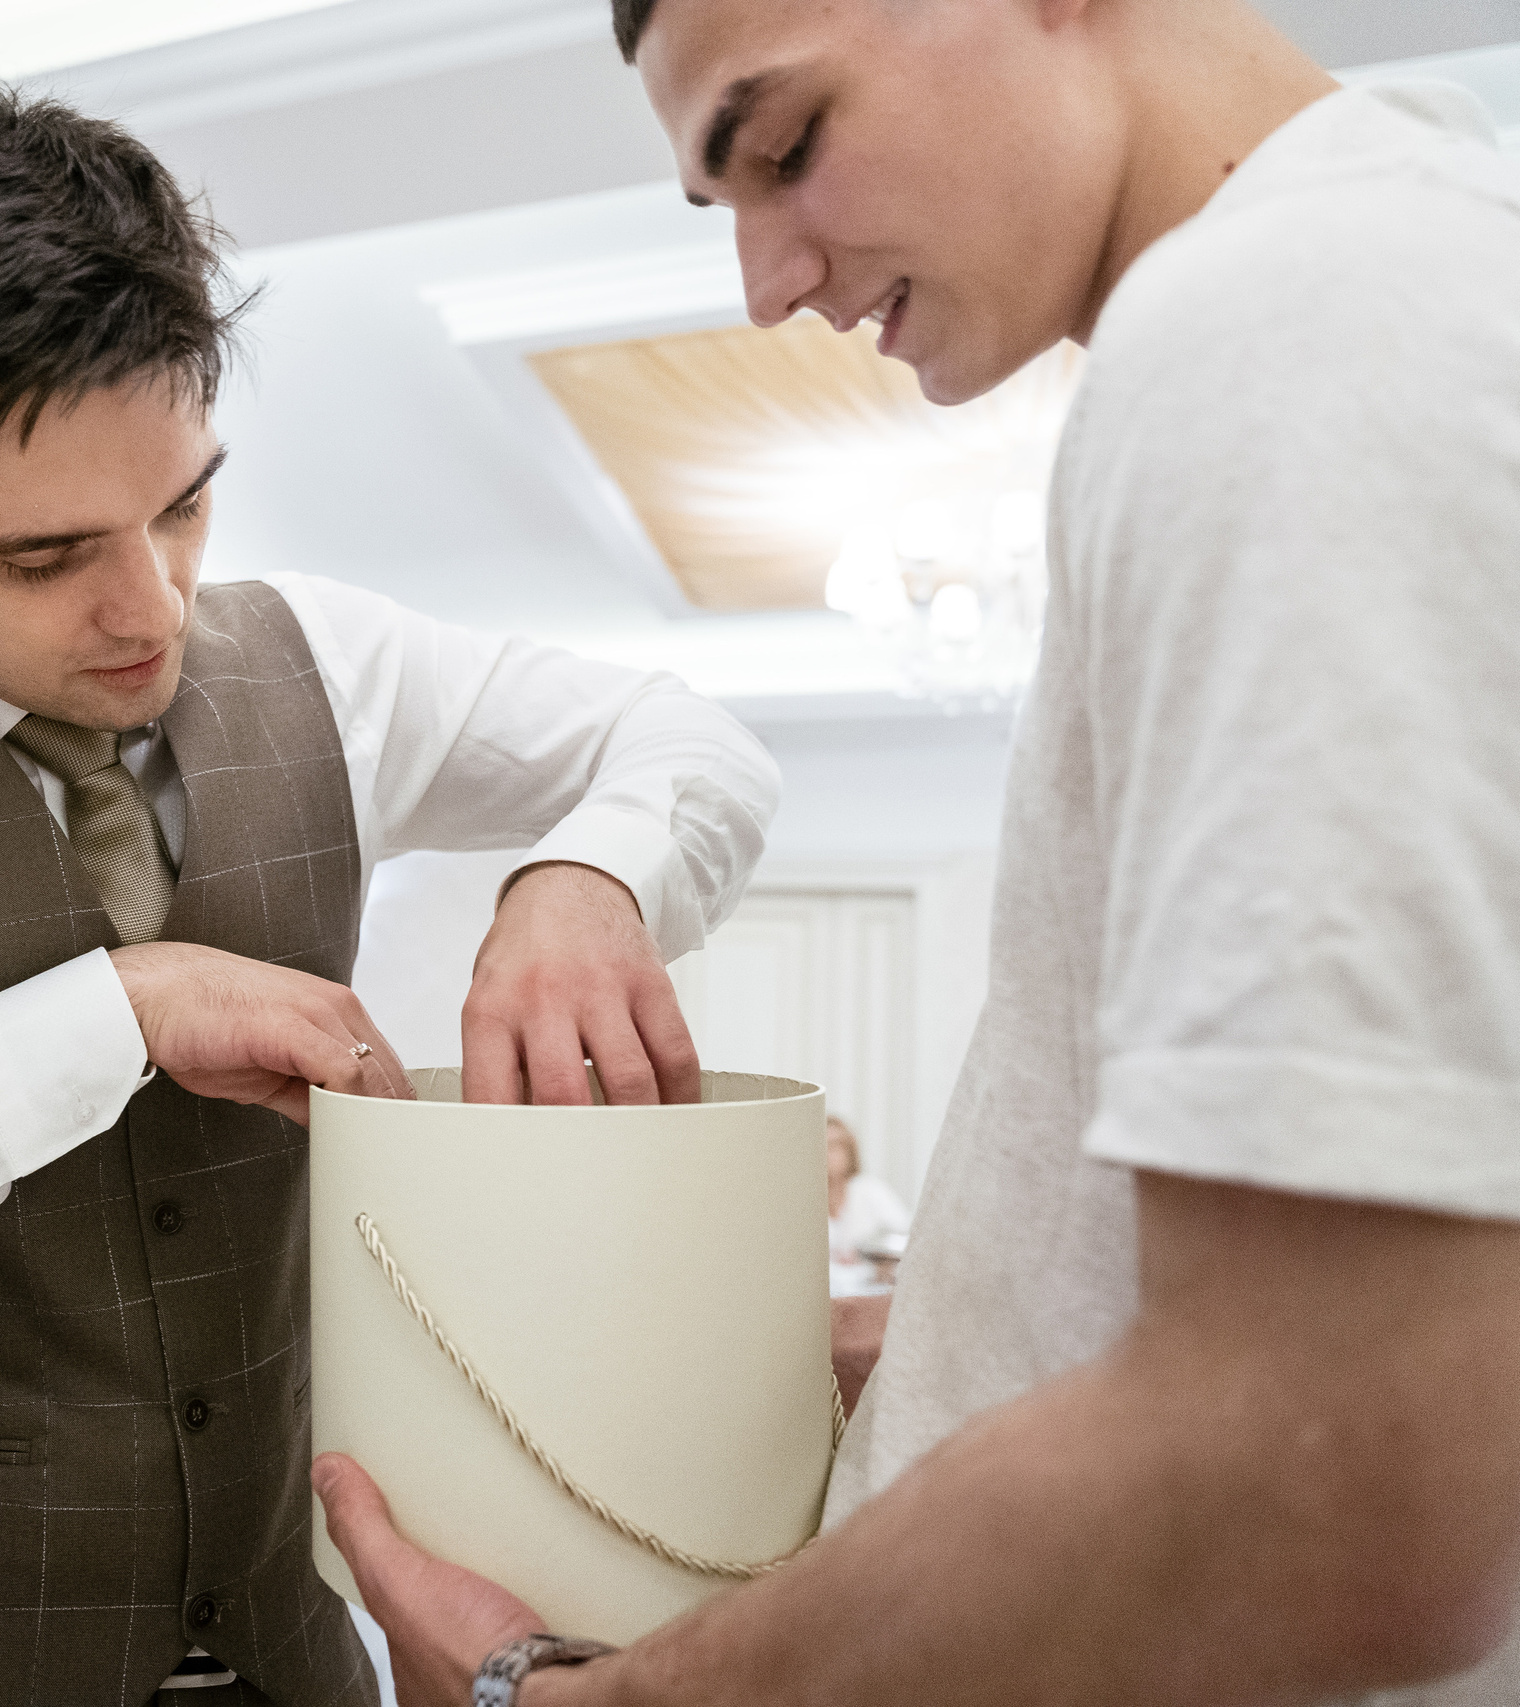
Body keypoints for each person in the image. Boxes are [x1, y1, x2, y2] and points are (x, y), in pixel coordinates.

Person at [0, 79, 780, 1707]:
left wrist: (591, 873)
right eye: (43, 558)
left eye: (183, 502)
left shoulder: (325, 658)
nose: (150, 606)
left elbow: (696, 741)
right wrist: (108, 1014)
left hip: (295, 1650)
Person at [314, 0, 1520, 1702]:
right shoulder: (1410, 265)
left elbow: (1345, 1472)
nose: (761, 283)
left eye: (787, 145)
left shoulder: (1291, 321)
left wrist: (583, 1699)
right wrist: (923, 1336)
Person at [824, 1115, 908, 1290]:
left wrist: (871, 1256)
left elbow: (906, 1237)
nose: (827, 1154)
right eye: (821, 1146)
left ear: (850, 1151)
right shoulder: (800, 1202)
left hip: (873, 1292)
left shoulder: (870, 1191)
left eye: (834, 1146)